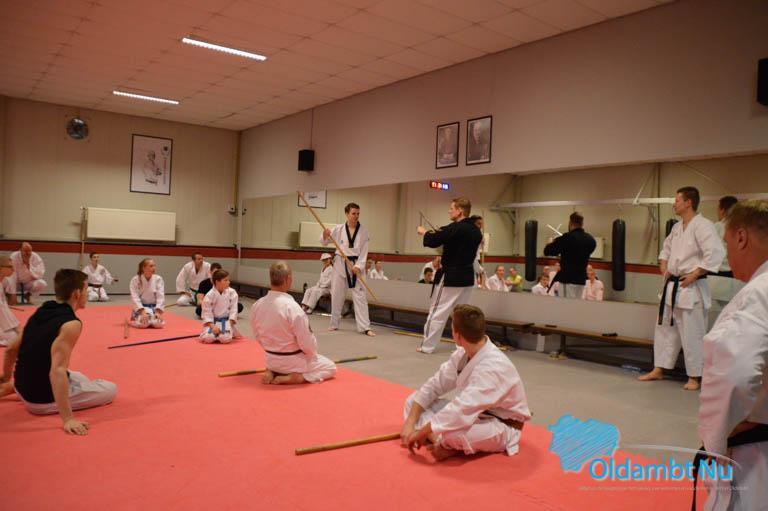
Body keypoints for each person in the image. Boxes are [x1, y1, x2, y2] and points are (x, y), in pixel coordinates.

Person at [697, 200, 768, 511]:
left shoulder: (758, 294)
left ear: (741, 237)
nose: (727, 255)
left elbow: (735, 375)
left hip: (755, 451)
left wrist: (718, 436)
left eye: (726, 244)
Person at [402, 305, 530, 461]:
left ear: (457, 335)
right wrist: (410, 422)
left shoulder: (493, 367)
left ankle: (445, 441)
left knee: (454, 434)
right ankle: (441, 441)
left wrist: (422, 431)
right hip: (473, 414)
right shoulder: (462, 355)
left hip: (501, 425)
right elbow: (434, 385)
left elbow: (461, 409)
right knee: (413, 401)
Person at [0, 269, 117, 435]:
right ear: (77, 293)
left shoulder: (43, 309)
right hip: (39, 401)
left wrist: (6, 378)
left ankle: (12, 387)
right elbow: (57, 371)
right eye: (86, 289)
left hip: (21, 384)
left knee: (80, 377)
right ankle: (25, 390)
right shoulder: (71, 324)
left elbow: (11, 349)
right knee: (110, 389)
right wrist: (68, 419)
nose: (86, 293)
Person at [639, 187, 724, 391]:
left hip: (691, 287)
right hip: (672, 287)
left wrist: (695, 273)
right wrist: (664, 267)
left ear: (688, 202)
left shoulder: (703, 225)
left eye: (677, 200)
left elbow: (715, 253)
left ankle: (695, 376)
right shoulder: (677, 227)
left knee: (693, 333)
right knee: (665, 330)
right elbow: (665, 251)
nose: (674, 204)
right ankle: (659, 368)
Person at [250, 262, 336, 385]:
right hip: (292, 362)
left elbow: (257, 335)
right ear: (288, 279)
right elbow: (307, 342)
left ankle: (272, 371)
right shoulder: (292, 307)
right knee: (330, 367)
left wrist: (272, 349)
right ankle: (300, 377)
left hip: (270, 359)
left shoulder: (257, 305)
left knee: (280, 359)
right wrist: (312, 355)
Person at [416, 198, 482, 354]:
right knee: (463, 315)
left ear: (460, 210)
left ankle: (427, 346)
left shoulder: (456, 228)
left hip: (451, 276)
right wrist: (440, 234)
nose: (449, 211)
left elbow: (434, 240)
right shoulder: (476, 231)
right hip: (467, 278)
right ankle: (464, 347)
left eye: (452, 208)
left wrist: (424, 232)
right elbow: (447, 236)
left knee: (437, 312)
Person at [321, 202, 375, 336]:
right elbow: (324, 242)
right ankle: (334, 323)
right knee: (337, 294)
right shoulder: (338, 229)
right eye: (353, 213)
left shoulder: (364, 231)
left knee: (360, 296)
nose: (356, 216)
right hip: (340, 263)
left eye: (358, 214)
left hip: (356, 265)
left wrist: (359, 266)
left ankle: (365, 327)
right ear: (346, 214)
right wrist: (325, 235)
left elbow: (364, 251)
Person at [544, 213, 596, 298]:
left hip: (567, 279)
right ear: (582, 224)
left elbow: (548, 251)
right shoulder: (590, 240)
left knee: (566, 305)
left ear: (570, 223)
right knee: (575, 304)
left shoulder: (567, 238)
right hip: (581, 280)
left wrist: (549, 243)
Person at [199, 269, 241, 343]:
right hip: (213, 322)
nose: (229, 282)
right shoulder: (209, 295)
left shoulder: (232, 292)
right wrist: (213, 327)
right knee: (208, 338)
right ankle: (214, 335)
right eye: (225, 280)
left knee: (225, 338)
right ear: (217, 282)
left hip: (227, 321)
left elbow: (234, 310)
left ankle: (227, 333)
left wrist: (229, 325)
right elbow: (206, 313)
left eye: (228, 280)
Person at [129, 258, 165, 329]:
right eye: (151, 266)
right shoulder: (135, 280)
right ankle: (135, 319)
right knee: (144, 324)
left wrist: (158, 312)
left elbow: (160, 296)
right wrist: (142, 312)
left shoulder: (158, 279)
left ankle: (151, 319)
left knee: (158, 324)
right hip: (141, 308)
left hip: (154, 308)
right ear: (143, 268)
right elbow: (135, 297)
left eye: (154, 266)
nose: (154, 268)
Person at [714, 195, 739, 278]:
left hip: (719, 271)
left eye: (718, 209)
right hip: (735, 271)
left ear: (722, 210)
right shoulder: (742, 227)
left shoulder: (717, 226)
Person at [0, 254, 20, 346]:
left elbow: (4, 307)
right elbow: (1, 309)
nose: (13, 269)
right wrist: (16, 326)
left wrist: (15, 326)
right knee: (13, 338)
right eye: (10, 267)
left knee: (15, 335)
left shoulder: (2, 282)